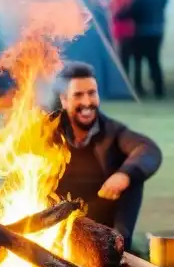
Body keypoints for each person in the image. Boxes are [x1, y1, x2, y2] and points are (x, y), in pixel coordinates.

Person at [52, 61, 162, 250]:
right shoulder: (47, 131)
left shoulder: (112, 131)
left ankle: (120, 245)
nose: (87, 102)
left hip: (101, 224)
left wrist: (124, 174)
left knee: (133, 176)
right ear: (64, 100)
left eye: (92, 93)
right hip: (56, 220)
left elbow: (148, 149)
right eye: (78, 95)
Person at [130, 0, 168, 99]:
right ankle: (158, 88)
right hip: (157, 29)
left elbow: (133, 9)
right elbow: (164, 4)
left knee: (138, 61)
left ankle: (138, 88)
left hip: (140, 30)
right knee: (154, 60)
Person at [107, 0, 136, 79]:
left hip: (122, 28)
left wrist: (114, 14)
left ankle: (124, 81)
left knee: (123, 57)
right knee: (123, 57)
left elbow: (123, 8)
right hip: (122, 28)